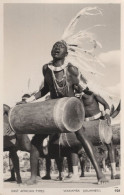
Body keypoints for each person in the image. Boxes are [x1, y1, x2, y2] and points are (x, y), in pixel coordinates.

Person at [21, 40, 108, 185]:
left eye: (60, 47)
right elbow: (45, 90)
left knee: (81, 136)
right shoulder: (46, 69)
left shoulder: (72, 70)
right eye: (54, 46)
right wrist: (28, 100)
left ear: (66, 54)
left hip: (70, 110)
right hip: (53, 110)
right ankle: (33, 177)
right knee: (36, 140)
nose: (56, 48)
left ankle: (100, 174)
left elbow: (81, 88)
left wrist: (86, 88)